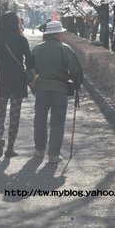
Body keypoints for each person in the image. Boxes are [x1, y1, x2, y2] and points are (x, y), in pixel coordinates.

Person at [31, 20, 84, 163]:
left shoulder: (38, 48)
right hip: (59, 89)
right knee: (57, 122)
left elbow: (30, 68)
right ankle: (53, 154)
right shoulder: (64, 48)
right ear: (58, 34)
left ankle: (39, 150)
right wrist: (78, 83)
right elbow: (75, 70)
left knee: (40, 119)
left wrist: (32, 85)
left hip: (42, 89)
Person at [0, 12, 33, 158]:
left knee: (0, 113)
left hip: (1, 80)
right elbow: (29, 61)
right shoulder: (22, 40)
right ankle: (10, 148)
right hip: (17, 80)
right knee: (15, 114)